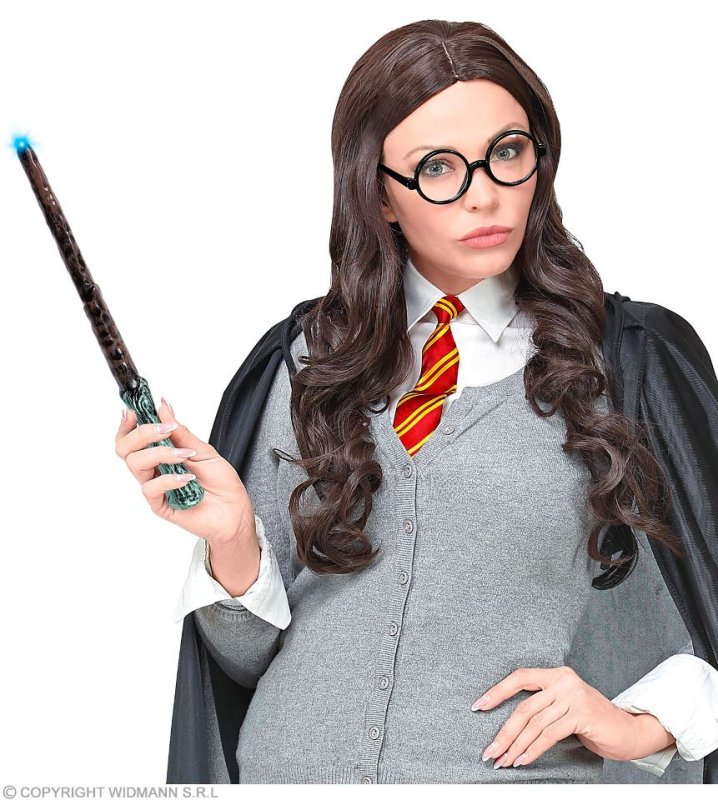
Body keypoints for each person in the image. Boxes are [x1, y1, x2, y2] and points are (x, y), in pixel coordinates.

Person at [115, 19, 718, 783]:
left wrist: (641, 724)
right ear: (380, 195)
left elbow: (705, 601)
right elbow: (241, 662)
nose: (485, 196)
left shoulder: (630, 362)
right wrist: (233, 539)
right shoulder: (303, 361)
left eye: (507, 153)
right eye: (438, 167)